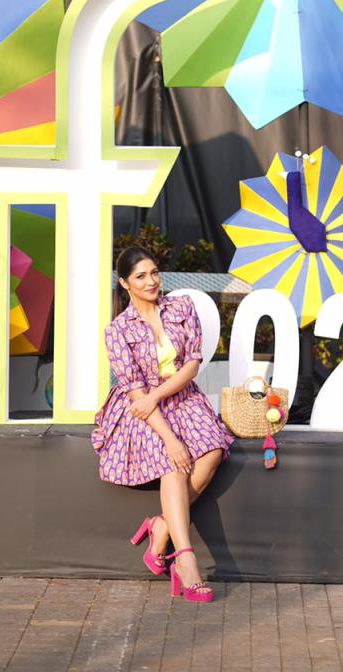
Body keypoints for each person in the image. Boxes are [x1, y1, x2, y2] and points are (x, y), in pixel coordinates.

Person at [91, 245, 234, 603]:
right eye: (140, 276)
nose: (151, 281)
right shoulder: (117, 330)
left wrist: (157, 395)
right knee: (173, 462)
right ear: (125, 283)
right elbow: (137, 395)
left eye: (154, 272)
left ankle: (162, 526)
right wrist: (170, 438)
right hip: (140, 411)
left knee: (213, 451)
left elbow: (192, 364)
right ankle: (186, 561)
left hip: (180, 396)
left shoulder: (181, 307)